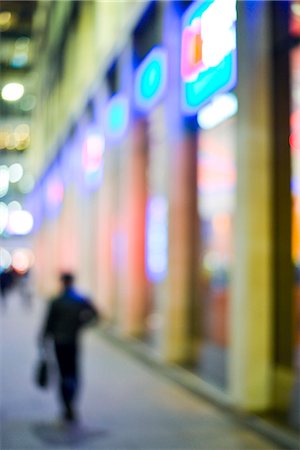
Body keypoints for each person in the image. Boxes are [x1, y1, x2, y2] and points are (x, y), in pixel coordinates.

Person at [39, 273, 99, 423]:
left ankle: (66, 406)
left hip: (59, 342)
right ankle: (71, 403)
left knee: (63, 373)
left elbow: (48, 323)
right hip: (73, 341)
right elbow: (95, 315)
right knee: (73, 373)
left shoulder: (56, 301)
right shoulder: (79, 300)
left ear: (62, 282)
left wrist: (44, 339)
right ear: (72, 282)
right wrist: (81, 325)